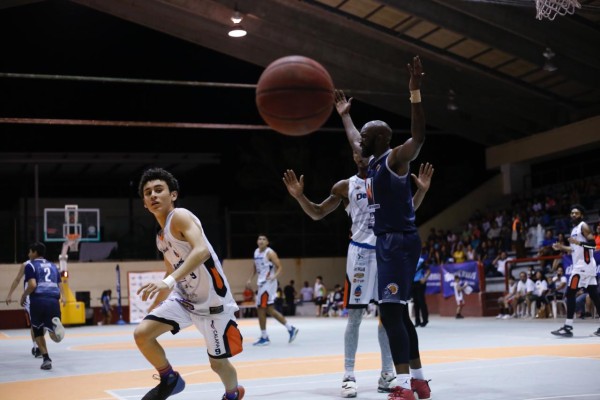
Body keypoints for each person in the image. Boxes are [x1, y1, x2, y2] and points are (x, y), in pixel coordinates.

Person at [283, 150, 432, 397]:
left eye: (366, 152)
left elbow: (407, 211)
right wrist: (300, 197)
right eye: (357, 152)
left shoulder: (386, 181)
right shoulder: (345, 186)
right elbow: (318, 212)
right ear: (353, 157)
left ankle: (387, 373)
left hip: (386, 250)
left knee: (389, 316)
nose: (361, 156)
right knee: (355, 317)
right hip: (361, 255)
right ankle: (349, 375)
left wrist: (422, 191)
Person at [336, 55, 431, 400]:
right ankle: (419, 379)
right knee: (399, 315)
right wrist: (345, 116)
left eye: (364, 137)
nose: (357, 141)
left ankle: (402, 385)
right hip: (391, 242)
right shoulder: (372, 163)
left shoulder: (394, 159)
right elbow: (353, 140)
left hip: (397, 242)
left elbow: (418, 138)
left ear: (377, 140)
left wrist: (415, 92)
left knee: (390, 315)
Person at [135, 167, 244, 400]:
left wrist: (169, 281)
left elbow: (202, 250)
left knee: (218, 364)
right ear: (144, 203)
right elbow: (170, 271)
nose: (153, 195)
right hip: (185, 301)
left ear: (172, 195)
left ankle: (233, 394)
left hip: (214, 304)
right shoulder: (160, 237)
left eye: (158, 190)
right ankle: (169, 379)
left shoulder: (180, 216)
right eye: (147, 193)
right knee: (142, 334)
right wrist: (154, 304)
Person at [551, 204, 600, 337]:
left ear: (582, 215)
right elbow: (574, 250)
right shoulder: (574, 230)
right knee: (594, 295)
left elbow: (592, 244)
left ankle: (568, 327)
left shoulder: (583, 226)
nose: (573, 215)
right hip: (585, 267)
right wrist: (561, 247)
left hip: (582, 266)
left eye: (576, 213)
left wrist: (578, 243)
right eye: (572, 213)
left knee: (570, 293)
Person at [19, 242, 66, 370]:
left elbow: (33, 285)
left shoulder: (30, 265)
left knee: (38, 331)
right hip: (53, 300)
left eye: (30, 252)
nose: (29, 254)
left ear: (35, 252)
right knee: (53, 334)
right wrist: (64, 297)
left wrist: (24, 296)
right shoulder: (53, 266)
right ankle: (55, 329)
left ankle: (46, 359)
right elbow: (59, 284)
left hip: (38, 300)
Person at [247, 234, 299, 346]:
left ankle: (265, 337)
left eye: (264, 239)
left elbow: (280, 267)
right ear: (257, 241)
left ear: (267, 242)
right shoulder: (256, 252)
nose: (261, 240)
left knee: (260, 308)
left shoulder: (270, 253)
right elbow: (255, 267)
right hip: (261, 283)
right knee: (270, 310)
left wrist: (274, 276)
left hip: (268, 284)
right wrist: (250, 279)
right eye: (259, 239)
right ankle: (291, 328)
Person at [5, 260, 41, 357]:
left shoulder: (44, 264)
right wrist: (9, 294)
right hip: (29, 297)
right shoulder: (26, 264)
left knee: (42, 324)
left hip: (42, 296)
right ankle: (36, 347)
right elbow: (17, 279)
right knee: (35, 323)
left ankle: (39, 345)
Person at [412, 255, 431, 328]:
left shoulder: (421, 261)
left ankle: (425, 320)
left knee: (421, 301)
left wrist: (425, 279)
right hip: (412, 283)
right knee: (415, 302)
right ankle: (417, 321)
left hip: (420, 283)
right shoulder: (410, 260)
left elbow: (428, 271)